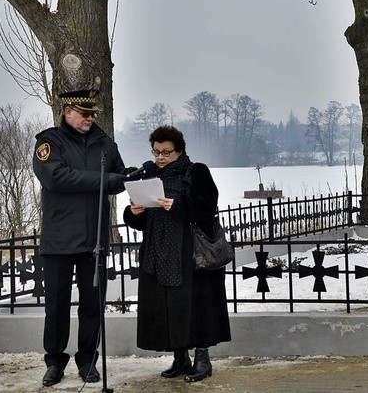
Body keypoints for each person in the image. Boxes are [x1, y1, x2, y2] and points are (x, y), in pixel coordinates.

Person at [33, 89, 127, 387]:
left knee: (91, 305)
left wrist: (126, 179)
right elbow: (55, 177)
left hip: (94, 240)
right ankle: (54, 361)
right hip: (59, 240)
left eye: (92, 114)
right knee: (56, 306)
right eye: (84, 114)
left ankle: (87, 360)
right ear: (68, 111)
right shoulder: (49, 142)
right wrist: (104, 180)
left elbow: (119, 177)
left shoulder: (105, 144)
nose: (89, 119)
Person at [123, 125, 231, 382]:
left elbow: (208, 205)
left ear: (180, 151)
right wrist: (133, 213)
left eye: (166, 153)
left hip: (189, 253)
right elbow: (141, 217)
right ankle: (180, 358)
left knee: (196, 305)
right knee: (168, 307)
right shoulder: (149, 175)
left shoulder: (196, 171)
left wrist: (179, 205)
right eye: (156, 152)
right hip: (158, 251)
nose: (160, 157)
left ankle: (202, 359)